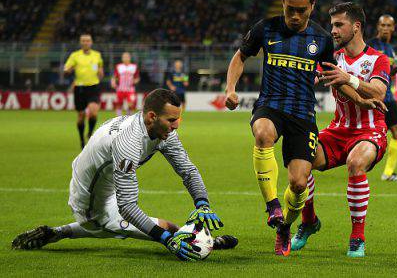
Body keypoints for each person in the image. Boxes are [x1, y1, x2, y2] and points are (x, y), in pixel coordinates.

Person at [225, 0, 381, 256]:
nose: (295, 16)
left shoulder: (321, 39)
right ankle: (272, 204)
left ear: (312, 5)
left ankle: (286, 224)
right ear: (283, 3)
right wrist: (231, 89)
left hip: (302, 114)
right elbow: (239, 57)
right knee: (263, 133)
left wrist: (360, 99)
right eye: (289, 9)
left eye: (302, 10)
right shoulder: (266, 28)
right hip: (271, 105)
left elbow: (336, 78)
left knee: (299, 183)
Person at [11, 89, 237, 261]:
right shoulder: (129, 142)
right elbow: (127, 206)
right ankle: (58, 233)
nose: (176, 125)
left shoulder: (160, 131)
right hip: (88, 194)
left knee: (164, 227)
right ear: (151, 116)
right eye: (171, 120)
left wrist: (202, 204)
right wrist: (166, 241)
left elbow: (188, 170)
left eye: (178, 119)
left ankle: (201, 241)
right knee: (100, 223)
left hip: (105, 182)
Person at [291, 2, 390, 257]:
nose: (333, 30)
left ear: (355, 27)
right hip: (338, 129)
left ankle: (357, 237)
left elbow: (379, 91)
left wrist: (350, 79)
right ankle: (309, 221)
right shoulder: (330, 58)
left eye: (338, 25)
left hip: (370, 131)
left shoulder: (378, 59)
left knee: (356, 163)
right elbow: (310, 76)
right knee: (301, 160)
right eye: (332, 25)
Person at [367, 15, 397, 182]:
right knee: (368, 135)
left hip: (389, 98)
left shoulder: (389, 48)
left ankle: (388, 173)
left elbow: (387, 73)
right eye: (382, 25)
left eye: (388, 25)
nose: (385, 28)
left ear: (393, 28)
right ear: (378, 26)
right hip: (375, 97)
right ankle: (356, 164)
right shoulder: (370, 45)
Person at [64, 34, 104, 149]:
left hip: (93, 87)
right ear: (81, 43)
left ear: (91, 42)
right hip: (80, 88)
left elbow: (100, 69)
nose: (86, 42)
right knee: (81, 116)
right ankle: (81, 139)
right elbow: (67, 68)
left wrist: (101, 74)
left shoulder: (97, 55)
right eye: (83, 41)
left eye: (88, 41)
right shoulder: (75, 55)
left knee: (93, 112)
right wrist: (67, 70)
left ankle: (90, 134)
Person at [111, 52, 140, 116]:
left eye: (127, 57)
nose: (126, 58)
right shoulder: (119, 66)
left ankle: (128, 117)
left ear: (130, 58)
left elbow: (137, 78)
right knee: (119, 104)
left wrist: (135, 81)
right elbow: (115, 76)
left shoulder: (134, 67)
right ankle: (119, 118)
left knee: (131, 104)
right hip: (120, 88)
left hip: (130, 89)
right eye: (124, 57)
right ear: (122, 58)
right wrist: (113, 82)